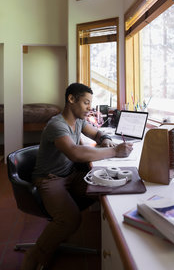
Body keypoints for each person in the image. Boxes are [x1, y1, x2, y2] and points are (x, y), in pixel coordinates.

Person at [21, 83, 133, 270]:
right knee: (70, 219)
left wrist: (104, 140)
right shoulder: (57, 124)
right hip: (50, 179)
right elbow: (75, 153)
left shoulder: (79, 121)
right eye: (86, 102)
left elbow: (97, 133)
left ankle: (59, 232)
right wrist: (114, 151)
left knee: (102, 187)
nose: (90, 107)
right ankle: (35, 254)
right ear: (71, 99)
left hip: (69, 176)